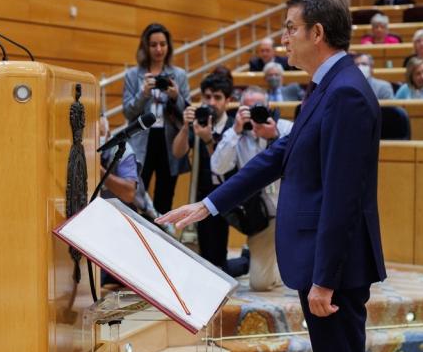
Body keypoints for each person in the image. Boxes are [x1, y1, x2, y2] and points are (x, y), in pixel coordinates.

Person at [157, 0, 385, 352]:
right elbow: (281, 154)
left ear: (317, 33)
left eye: (290, 28)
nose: (283, 39)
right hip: (324, 264)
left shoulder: (346, 93)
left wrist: (325, 280)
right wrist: (209, 205)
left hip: (334, 269)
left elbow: (343, 197)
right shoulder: (326, 86)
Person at [210, 86, 294, 291]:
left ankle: (282, 264)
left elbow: (305, 163)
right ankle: (263, 261)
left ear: (269, 107)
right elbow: (218, 167)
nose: (254, 112)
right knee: (260, 284)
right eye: (247, 108)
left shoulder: (286, 128)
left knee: (301, 277)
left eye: (259, 107)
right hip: (262, 217)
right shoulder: (235, 134)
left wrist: (274, 136)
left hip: (292, 210)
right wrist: (236, 131)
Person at [122, 23, 190, 215]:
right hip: (141, 140)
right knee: (135, 195)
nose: (158, 49)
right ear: (146, 46)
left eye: (162, 44)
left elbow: (187, 111)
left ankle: (160, 238)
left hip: (169, 141)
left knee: (165, 197)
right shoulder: (133, 75)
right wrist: (143, 92)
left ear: (168, 46)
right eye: (153, 45)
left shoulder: (179, 75)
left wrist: (176, 96)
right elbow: (128, 112)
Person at [171, 73, 234, 270]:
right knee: (208, 261)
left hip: (231, 197)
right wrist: (185, 127)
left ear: (228, 101)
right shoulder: (198, 122)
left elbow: (223, 166)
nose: (211, 102)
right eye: (207, 97)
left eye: (217, 97)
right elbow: (177, 152)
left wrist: (208, 140)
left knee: (218, 262)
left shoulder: (234, 127)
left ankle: (244, 262)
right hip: (204, 195)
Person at [98, 115, 138, 207]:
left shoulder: (123, 150)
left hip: (123, 210)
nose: (97, 138)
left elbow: (129, 194)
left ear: (108, 134)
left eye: (100, 133)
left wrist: (100, 171)